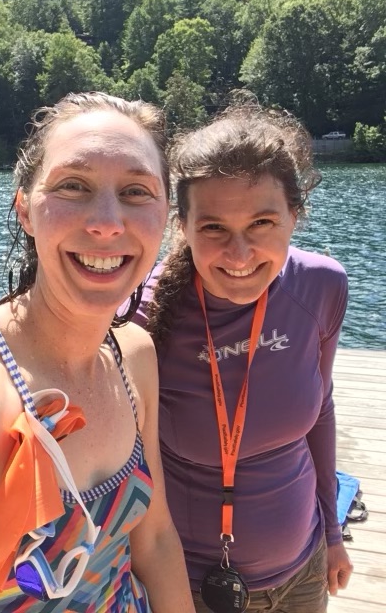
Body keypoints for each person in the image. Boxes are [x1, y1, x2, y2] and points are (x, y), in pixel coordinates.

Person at [0, 92, 195, 613]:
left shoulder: (134, 356)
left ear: (166, 217)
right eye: (73, 186)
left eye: (136, 191)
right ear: (25, 209)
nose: (107, 222)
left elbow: (153, 540)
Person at [133, 97, 353, 612]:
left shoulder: (321, 286)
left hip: (305, 571)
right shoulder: (140, 314)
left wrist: (332, 534)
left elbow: (320, 409)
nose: (239, 254)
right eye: (214, 227)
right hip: (192, 587)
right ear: (182, 225)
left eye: (262, 223)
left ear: (294, 215)